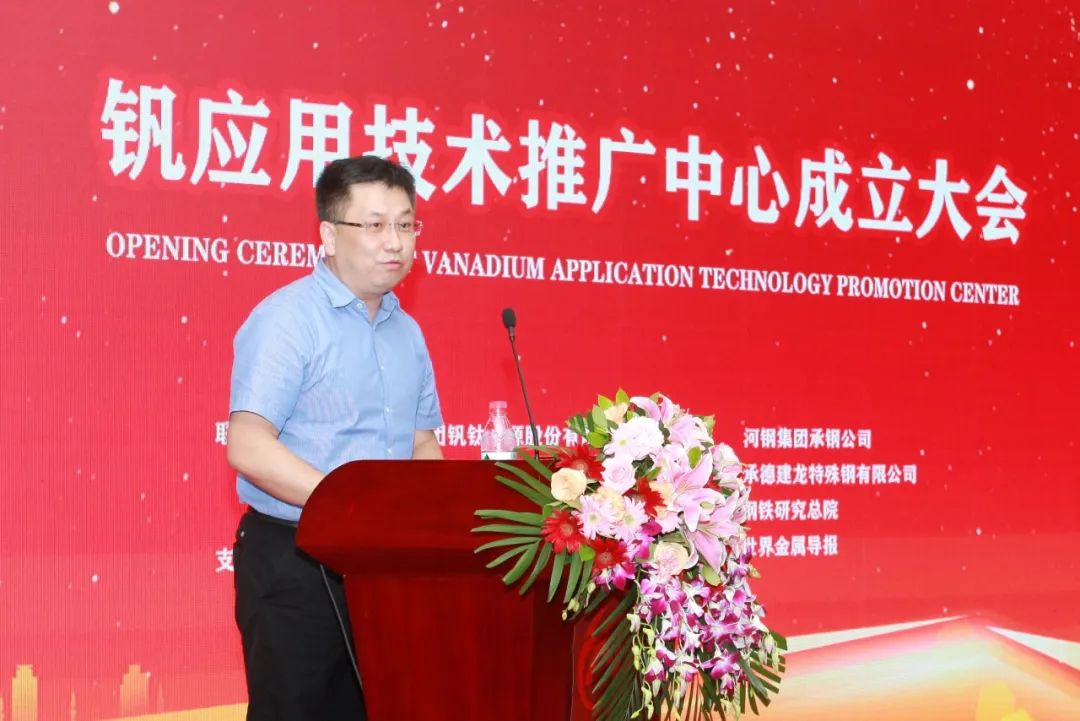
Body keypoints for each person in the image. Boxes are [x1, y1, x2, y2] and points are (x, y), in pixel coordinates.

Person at [226, 155, 444, 721]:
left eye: (405, 224)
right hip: (296, 560)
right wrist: (348, 507)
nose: (394, 241)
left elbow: (421, 444)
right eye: (374, 225)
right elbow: (247, 444)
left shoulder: (407, 332)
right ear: (328, 235)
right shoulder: (288, 320)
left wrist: (430, 522)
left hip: (381, 562)